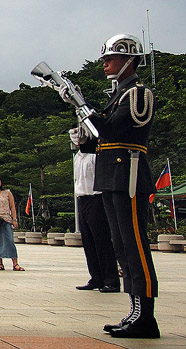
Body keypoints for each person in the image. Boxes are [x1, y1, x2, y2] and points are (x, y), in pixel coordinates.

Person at [63, 34, 159, 339]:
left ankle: (145, 316)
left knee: (135, 246)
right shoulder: (118, 96)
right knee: (121, 246)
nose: (105, 64)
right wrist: (81, 112)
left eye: (110, 58)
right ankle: (134, 311)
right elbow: (98, 135)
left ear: (129, 60)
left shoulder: (137, 94)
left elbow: (115, 127)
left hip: (128, 175)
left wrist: (83, 104)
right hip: (110, 176)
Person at [71, 127, 120, 293]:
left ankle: (111, 280)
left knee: (102, 241)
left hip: (96, 199)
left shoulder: (96, 157)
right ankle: (96, 277)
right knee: (88, 242)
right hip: (82, 199)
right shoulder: (78, 157)